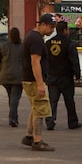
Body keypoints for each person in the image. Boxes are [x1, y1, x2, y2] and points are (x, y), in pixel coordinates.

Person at [21, 13, 56, 152]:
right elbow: (35, 62)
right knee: (41, 109)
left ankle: (28, 136)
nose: (52, 30)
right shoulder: (36, 39)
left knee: (35, 107)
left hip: (29, 79)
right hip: (33, 80)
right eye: (51, 27)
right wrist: (40, 83)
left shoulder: (32, 36)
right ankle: (37, 140)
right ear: (42, 25)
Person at [45, 21, 82, 131]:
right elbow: (74, 61)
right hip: (66, 77)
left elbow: (44, 60)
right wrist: (78, 76)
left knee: (52, 100)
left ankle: (50, 122)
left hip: (52, 76)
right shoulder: (69, 43)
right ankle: (72, 122)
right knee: (69, 101)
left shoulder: (48, 43)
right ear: (65, 30)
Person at [0, 27, 23, 127]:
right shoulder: (23, 47)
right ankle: (13, 117)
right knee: (15, 98)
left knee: (11, 97)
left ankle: (13, 116)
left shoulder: (3, 47)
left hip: (5, 76)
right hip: (18, 76)